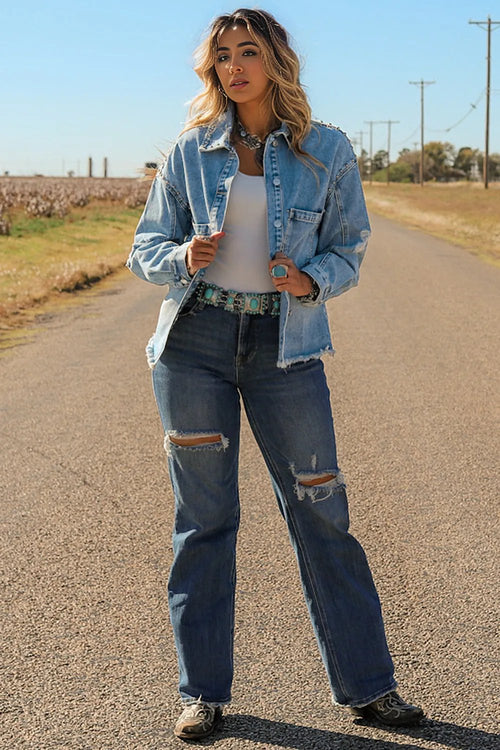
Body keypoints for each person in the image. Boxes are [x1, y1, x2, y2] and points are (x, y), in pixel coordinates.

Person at [127, 8, 424, 741]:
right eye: (222, 55)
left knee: (321, 513)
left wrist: (309, 279)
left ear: (276, 61)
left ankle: (369, 688)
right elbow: (146, 246)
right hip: (194, 341)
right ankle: (203, 694)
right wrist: (180, 257)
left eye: (248, 51)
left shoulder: (326, 149)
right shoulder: (190, 151)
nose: (234, 66)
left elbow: (351, 244)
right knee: (204, 522)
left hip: (284, 347)